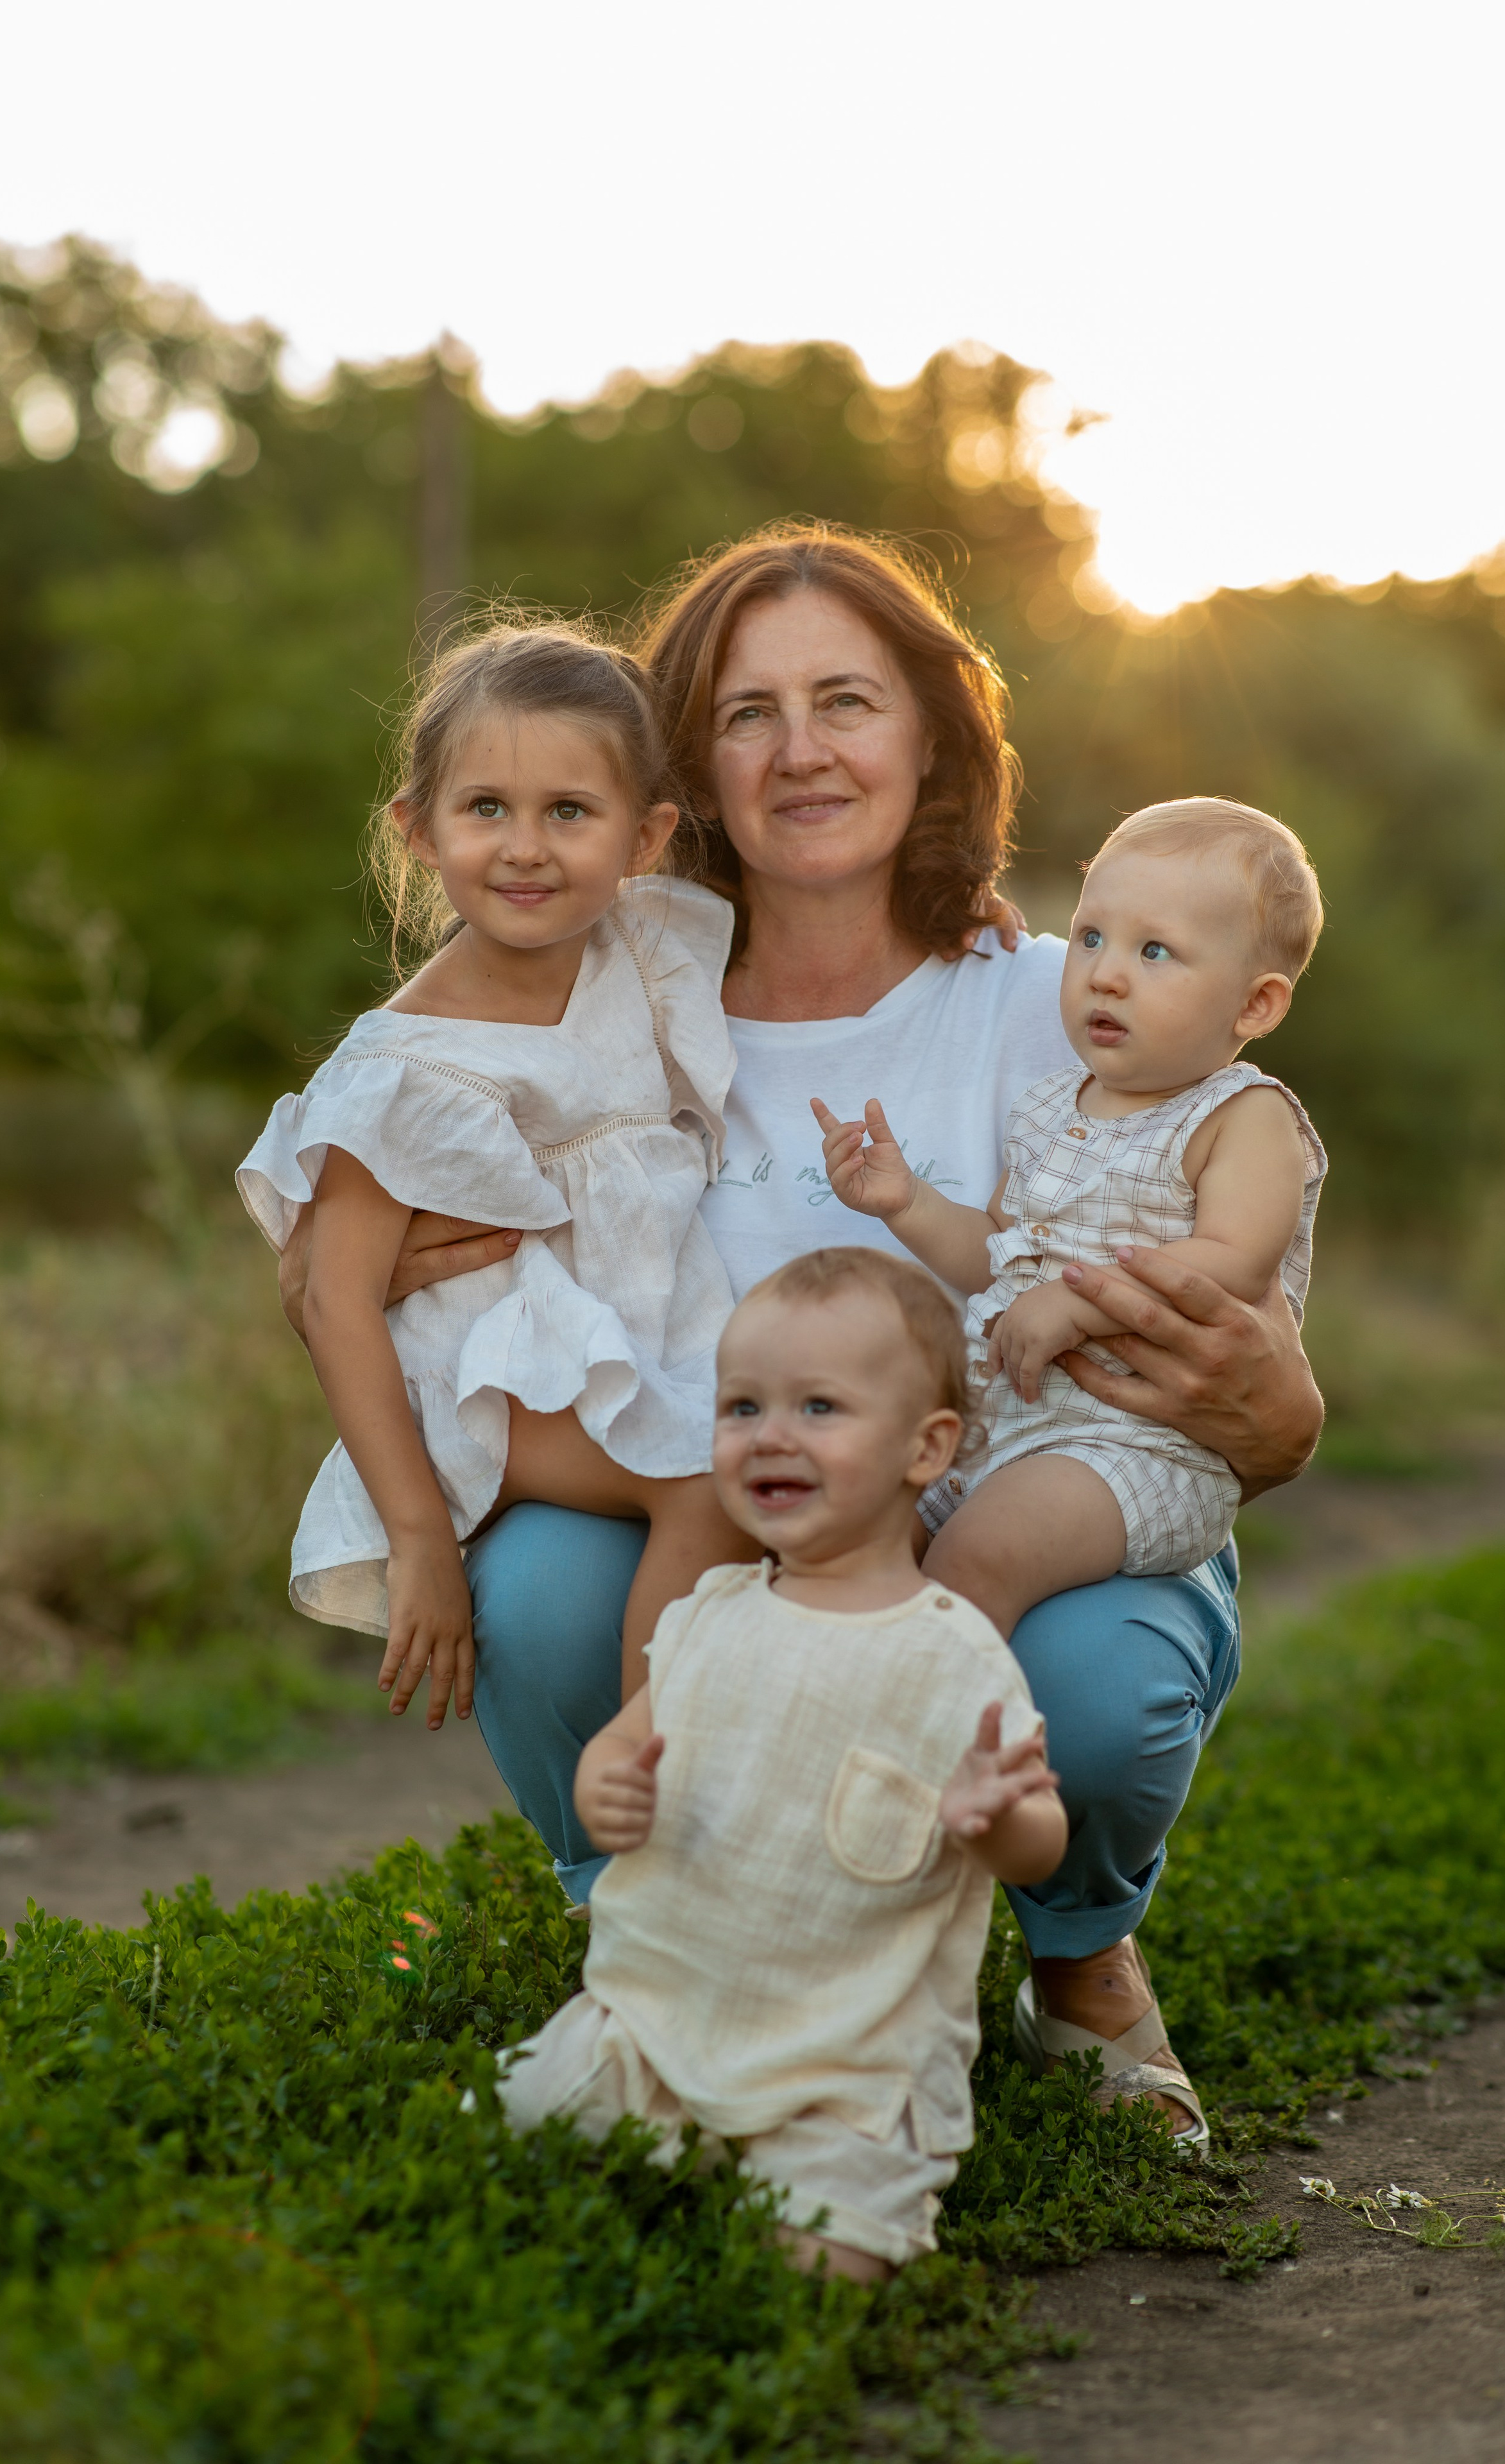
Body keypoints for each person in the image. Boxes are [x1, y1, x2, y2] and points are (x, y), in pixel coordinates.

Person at [278, 525, 1325, 2144]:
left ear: (931, 732)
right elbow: (394, 1117)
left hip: (1015, 1501)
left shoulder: (1073, 996)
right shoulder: (607, 983)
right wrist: (340, 1244)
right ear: (683, 768)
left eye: (846, 699)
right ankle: (664, 1936)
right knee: (542, 1588)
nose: (802, 748)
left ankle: (1078, 1962)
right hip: (720, 1501)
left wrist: (1275, 1415)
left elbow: (1262, 1363)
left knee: (1089, 1687)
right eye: (748, 711)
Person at [500, 1248, 1067, 2282]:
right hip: (662, 2016)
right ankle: (668, 2127)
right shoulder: (709, 1610)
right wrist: (606, 1783)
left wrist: (998, 1819)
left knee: (827, 2264)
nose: (770, 1435)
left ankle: (811, 2191)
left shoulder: (954, 1654)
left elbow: (1039, 1843)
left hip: (849, 2061)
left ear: (925, 1447)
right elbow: (635, 1733)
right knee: (532, 2120)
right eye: (741, 1406)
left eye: (818, 1408)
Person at [239, 622, 754, 1731]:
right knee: (720, 1487)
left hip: (629, 1349)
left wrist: (960, 906)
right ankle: (648, 1773)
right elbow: (337, 1299)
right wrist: (417, 1535)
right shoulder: (408, 1070)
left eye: (569, 812)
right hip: (489, 1388)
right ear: (418, 829)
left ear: (646, 835)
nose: (527, 847)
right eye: (487, 810)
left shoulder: (641, 950)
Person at [816, 798, 1329, 1642]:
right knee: (863, 1542)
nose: (1106, 972)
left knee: (974, 1561)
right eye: (1092, 937)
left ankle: (941, 1745)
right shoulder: (1052, 1105)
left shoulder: (1244, 1117)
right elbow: (997, 1260)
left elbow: (1234, 1262)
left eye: (1154, 950)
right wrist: (906, 1201)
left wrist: (1081, 1303)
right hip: (1002, 1431)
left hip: (1136, 1450)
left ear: (1256, 1006)